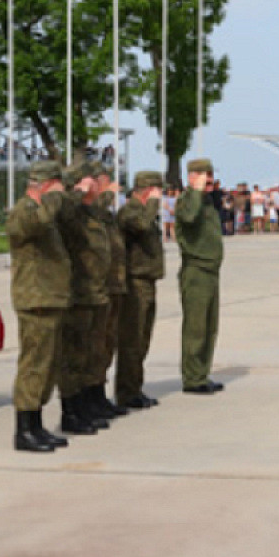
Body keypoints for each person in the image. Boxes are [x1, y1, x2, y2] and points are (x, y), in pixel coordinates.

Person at [7, 160, 72, 453]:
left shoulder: (43, 212)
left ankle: (36, 424)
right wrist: (54, 198)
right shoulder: (24, 211)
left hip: (51, 298)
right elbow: (33, 226)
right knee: (34, 366)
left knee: (48, 366)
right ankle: (24, 429)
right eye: (56, 186)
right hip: (36, 299)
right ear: (45, 186)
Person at [57, 161, 113, 435]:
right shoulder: (72, 212)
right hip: (78, 293)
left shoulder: (90, 213)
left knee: (91, 353)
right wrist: (78, 190)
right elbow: (63, 212)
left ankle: (87, 405)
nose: (96, 185)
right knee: (74, 356)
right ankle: (71, 412)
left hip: (95, 290)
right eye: (91, 181)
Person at [176, 159, 225, 394]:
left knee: (209, 326)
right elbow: (188, 218)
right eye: (205, 176)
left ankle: (202, 373)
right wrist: (195, 190)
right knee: (195, 327)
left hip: (211, 271)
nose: (210, 181)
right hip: (196, 270)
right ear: (193, 177)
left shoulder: (207, 202)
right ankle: (193, 378)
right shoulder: (188, 200)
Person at [116, 171, 165, 409]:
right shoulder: (130, 211)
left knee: (142, 338)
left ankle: (135, 387)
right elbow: (142, 227)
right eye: (157, 190)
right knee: (132, 340)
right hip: (135, 282)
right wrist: (153, 203)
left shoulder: (143, 211)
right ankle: (126, 391)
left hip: (147, 280)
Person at [89, 165, 130, 420]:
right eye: (105, 181)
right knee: (94, 346)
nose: (110, 186)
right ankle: (88, 400)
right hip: (96, 287)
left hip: (113, 285)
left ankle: (99, 396)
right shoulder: (90, 210)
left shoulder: (106, 213)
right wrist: (104, 194)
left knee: (107, 344)